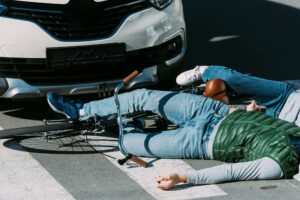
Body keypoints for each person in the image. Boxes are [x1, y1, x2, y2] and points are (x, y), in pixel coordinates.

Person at [47, 87, 300, 190]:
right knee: (144, 96)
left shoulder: (281, 165)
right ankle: (81, 110)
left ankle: (122, 123)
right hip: (214, 112)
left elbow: (232, 172)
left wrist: (184, 177)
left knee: (129, 143)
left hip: (200, 142)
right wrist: (248, 110)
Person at [176, 65, 300, 126]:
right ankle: (205, 71)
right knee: (234, 80)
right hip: (286, 96)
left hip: (280, 123)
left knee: (233, 121)